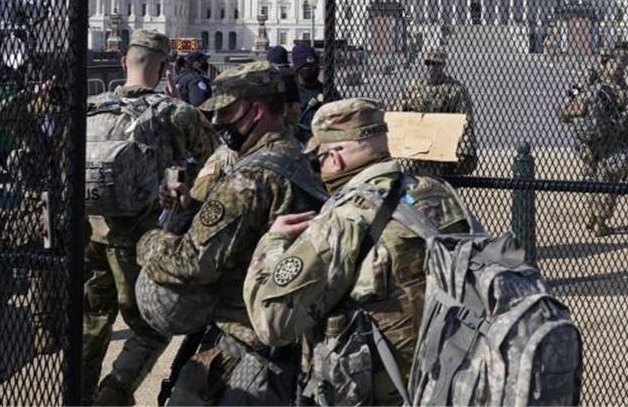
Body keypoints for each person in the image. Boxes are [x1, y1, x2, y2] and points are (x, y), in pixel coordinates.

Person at [243, 98, 475, 405]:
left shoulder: (344, 219)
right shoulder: (439, 194)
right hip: (446, 386)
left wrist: (272, 243)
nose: (319, 169)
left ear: (335, 158)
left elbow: (271, 323)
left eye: (319, 159)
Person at [136, 61, 326, 405]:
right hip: (282, 340)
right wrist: (192, 209)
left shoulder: (250, 178)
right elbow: (243, 236)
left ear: (255, 111)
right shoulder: (297, 157)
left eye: (226, 112)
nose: (217, 122)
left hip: (244, 345)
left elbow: (193, 261)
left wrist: (148, 241)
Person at [83, 30, 219, 405]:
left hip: (91, 231)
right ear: (162, 69)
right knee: (151, 326)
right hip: (140, 239)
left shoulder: (92, 106)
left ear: (124, 62)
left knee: (91, 322)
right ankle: (115, 391)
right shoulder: (175, 111)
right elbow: (215, 160)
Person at [559, 69, 628, 236]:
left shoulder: (578, 94)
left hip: (587, 148)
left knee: (593, 180)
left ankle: (592, 215)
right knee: (607, 183)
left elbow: (563, 115)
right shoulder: (608, 93)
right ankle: (601, 223)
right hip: (608, 145)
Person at [388, 46, 478, 175]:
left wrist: (463, 152)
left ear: (443, 65)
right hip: (414, 149)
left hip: (441, 150)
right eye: (428, 63)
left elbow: (465, 121)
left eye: (436, 64)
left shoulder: (455, 90)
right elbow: (395, 116)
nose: (432, 67)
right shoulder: (411, 87)